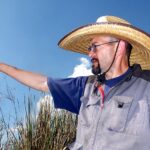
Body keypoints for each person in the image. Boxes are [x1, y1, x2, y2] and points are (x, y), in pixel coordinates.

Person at [0, 15, 150, 150]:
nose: (90, 54)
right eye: (89, 48)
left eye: (95, 46)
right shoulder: (86, 87)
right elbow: (42, 83)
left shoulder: (146, 86)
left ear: (120, 46)